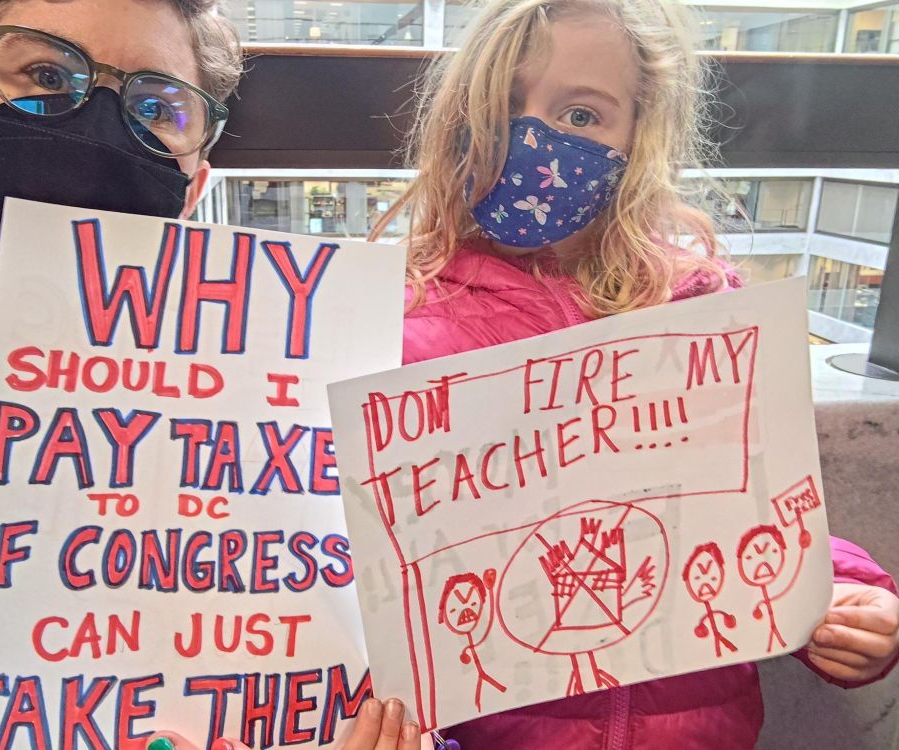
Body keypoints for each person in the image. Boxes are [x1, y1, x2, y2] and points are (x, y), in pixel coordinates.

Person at [367, 0, 899, 747]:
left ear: (641, 134)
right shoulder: (404, 336)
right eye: (501, 108)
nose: (534, 140)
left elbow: (762, 503)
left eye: (583, 115)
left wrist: (845, 596)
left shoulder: (701, 310)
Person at [0, 2, 420, 749]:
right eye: (46, 73)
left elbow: (379, 687)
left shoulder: (318, 435)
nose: (97, 123)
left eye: (155, 107)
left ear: (194, 183)